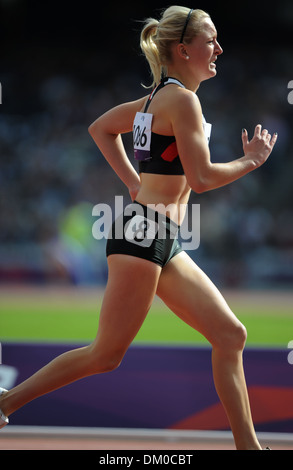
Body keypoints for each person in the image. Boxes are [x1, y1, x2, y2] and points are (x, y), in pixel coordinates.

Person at [0, 6, 277, 450]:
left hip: (158, 235)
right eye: (211, 40)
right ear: (182, 49)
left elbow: (101, 128)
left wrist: (134, 183)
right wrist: (251, 161)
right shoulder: (182, 100)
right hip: (143, 232)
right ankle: (6, 403)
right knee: (105, 355)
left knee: (231, 334)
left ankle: (249, 448)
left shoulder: (156, 99)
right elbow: (202, 179)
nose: (219, 49)